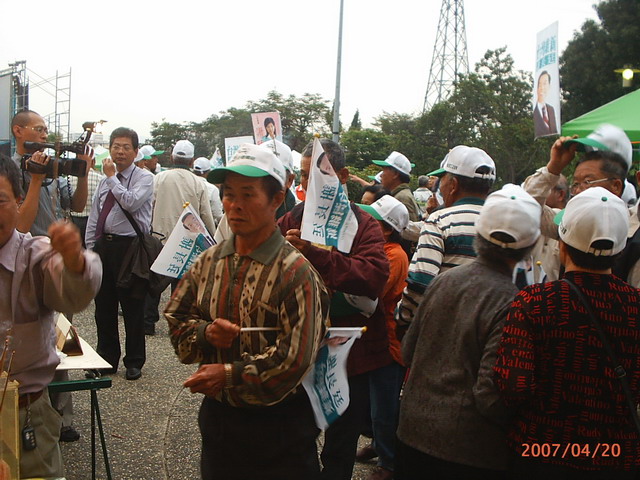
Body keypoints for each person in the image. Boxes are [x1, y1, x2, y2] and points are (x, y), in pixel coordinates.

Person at [165, 143, 329, 480]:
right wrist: (206, 333)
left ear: (276, 199)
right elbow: (176, 320)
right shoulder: (208, 262)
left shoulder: (296, 274)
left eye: (248, 194)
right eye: (228, 194)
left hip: (280, 430)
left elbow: (294, 360)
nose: (234, 205)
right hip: (220, 423)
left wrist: (229, 374)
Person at [396, 184, 541, 480]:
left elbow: (408, 351)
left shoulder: (443, 281)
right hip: (469, 452)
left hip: (411, 435)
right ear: (531, 245)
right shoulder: (512, 302)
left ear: (478, 234)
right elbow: (491, 396)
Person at [495, 187, 640, 478]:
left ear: (562, 245)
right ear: (619, 250)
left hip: (541, 452)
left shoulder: (535, 302)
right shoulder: (635, 305)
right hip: (615, 457)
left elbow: (513, 386)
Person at [279, 138, 391, 480]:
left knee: (340, 446)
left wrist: (315, 255)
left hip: (352, 356)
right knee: (295, 437)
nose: (308, 183)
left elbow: (374, 276)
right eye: (304, 175)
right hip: (301, 349)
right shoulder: (292, 219)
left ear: (342, 176)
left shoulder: (363, 223)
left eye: (319, 174)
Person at [0, 157, 102, 478]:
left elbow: (72, 291)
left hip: (25, 414)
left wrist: (74, 262)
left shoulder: (34, 255)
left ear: (19, 201)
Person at [11, 109, 94, 442]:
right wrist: (34, 177)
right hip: (22, 266)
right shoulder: (11, 172)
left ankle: (61, 417)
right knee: (28, 339)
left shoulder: (55, 170)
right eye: (38, 128)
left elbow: (78, 204)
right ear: (18, 131)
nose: (44, 134)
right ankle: (26, 408)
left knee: (62, 340)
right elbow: (20, 225)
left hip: (55, 265)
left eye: (46, 129)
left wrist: (83, 174)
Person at [396, 145, 496, 329]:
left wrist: (403, 317)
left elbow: (421, 283)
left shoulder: (440, 221)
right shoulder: (505, 223)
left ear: (454, 185)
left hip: (445, 328)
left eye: (442, 179)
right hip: (491, 330)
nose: (439, 187)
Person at [85, 127, 154, 380]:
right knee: (104, 306)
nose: (120, 152)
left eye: (126, 147)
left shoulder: (144, 178)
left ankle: (134, 361)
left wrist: (112, 177)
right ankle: (106, 358)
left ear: (136, 152)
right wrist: (90, 249)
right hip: (105, 246)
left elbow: (131, 202)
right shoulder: (105, 181)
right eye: (116, 146)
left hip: (131, 248)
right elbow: (95, 215)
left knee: (132, 305)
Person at [355, 194, 410, 480]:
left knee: (384, 405)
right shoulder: (380, 250)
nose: (365, 223)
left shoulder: (394, 255)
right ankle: (379, 444)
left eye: (373, 221)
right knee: (373, 401)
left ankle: (389, 462)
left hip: (389, 342)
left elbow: (372, 290)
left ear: (387, 229)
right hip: (375, 339)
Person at [372, 152, 421, 222]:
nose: (380, 175)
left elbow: (407, 227)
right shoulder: (399, 194)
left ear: (395, 174)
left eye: (383, 171)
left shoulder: (402, 198)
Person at [69, 157, 105, 248]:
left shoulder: (69, 178)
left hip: (74, 220)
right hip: (92, 221)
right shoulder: (100, 179)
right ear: (93, 162)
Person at [261, 139, 297, 218]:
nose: (266, 182)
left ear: (289, 180)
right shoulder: (240, 213)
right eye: (260, 173)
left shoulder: (302, 217)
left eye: (276, 175)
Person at [192, 156, 223, 227]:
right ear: (208, 172)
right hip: (206, 228)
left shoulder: (186, 185)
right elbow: (217, 215)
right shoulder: (212, 189)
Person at [533, 70, 558, 137]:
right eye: (539, 84)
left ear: (549, 86)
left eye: (544, 84)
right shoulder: (534, 113)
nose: (542, 88)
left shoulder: (551, 110)